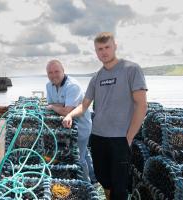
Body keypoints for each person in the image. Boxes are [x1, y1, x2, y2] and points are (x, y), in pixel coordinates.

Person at [62, 32, 148, 200]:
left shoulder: (131, 69)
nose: (103, 52)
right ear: (96, 52)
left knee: (119, 185)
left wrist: (129, 137)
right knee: (102, 177)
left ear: (115, 46)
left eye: (107, 47)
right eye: (99, 49)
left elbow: (142, 105)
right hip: (98, 136)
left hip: (120, 138)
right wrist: (70, 115)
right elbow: (84, 105)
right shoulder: (97, 77)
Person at [45, 59, 96, 182]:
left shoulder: (72, 86)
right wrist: (61, 106)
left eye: (56, 71)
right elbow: (56, 105)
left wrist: (54, 107)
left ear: (63, 71)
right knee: (84, 153)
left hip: (81, 126)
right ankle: (94, 179)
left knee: (79, 157)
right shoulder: (48, 85)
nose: (53, 75)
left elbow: (65, 110)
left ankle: (87, 187)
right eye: (50, 72)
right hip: (66, 126)